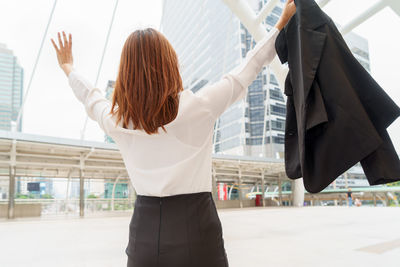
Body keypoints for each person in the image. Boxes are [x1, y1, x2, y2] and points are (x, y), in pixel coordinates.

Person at [50, 1, 296, 266]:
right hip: (198, 231)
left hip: (144, 236)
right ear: (169, 66)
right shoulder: (198, 107)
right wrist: (280, 25)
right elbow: (249, 68)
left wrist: (69, 68)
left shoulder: (117, 122)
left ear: (126, 75)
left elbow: (91, 98)